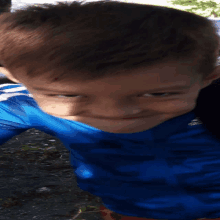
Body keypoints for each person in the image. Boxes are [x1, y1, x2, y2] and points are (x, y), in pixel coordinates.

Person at [0, 1, 220, 219]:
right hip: (132, 210)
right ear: (18, 78)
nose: (115, 111)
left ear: (209, 77)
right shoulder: (24, 101)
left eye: (158, 94)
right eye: (69, 95)